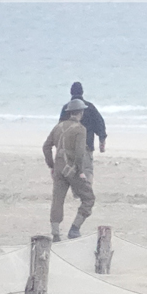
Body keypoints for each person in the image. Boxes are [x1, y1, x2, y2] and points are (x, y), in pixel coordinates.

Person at [42, 99, 95, 241]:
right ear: (81, 113)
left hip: (59, 169)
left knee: (57, 200)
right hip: (73, 170)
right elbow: (79, 153)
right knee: (88, 198)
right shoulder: (80, 129)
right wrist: (81, 171)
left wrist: (52, 165)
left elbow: (46, 147)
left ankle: (55, 233)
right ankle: (75, 228)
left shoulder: (58, 127)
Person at [61, 82, 109, 153]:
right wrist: (102, 141)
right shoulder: (90, 107)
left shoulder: (66, 108)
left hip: (69, 146)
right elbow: (100, 124)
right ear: (82, 92)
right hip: (87, 145)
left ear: (71, 92)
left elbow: (60, 127)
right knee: (86, 163)